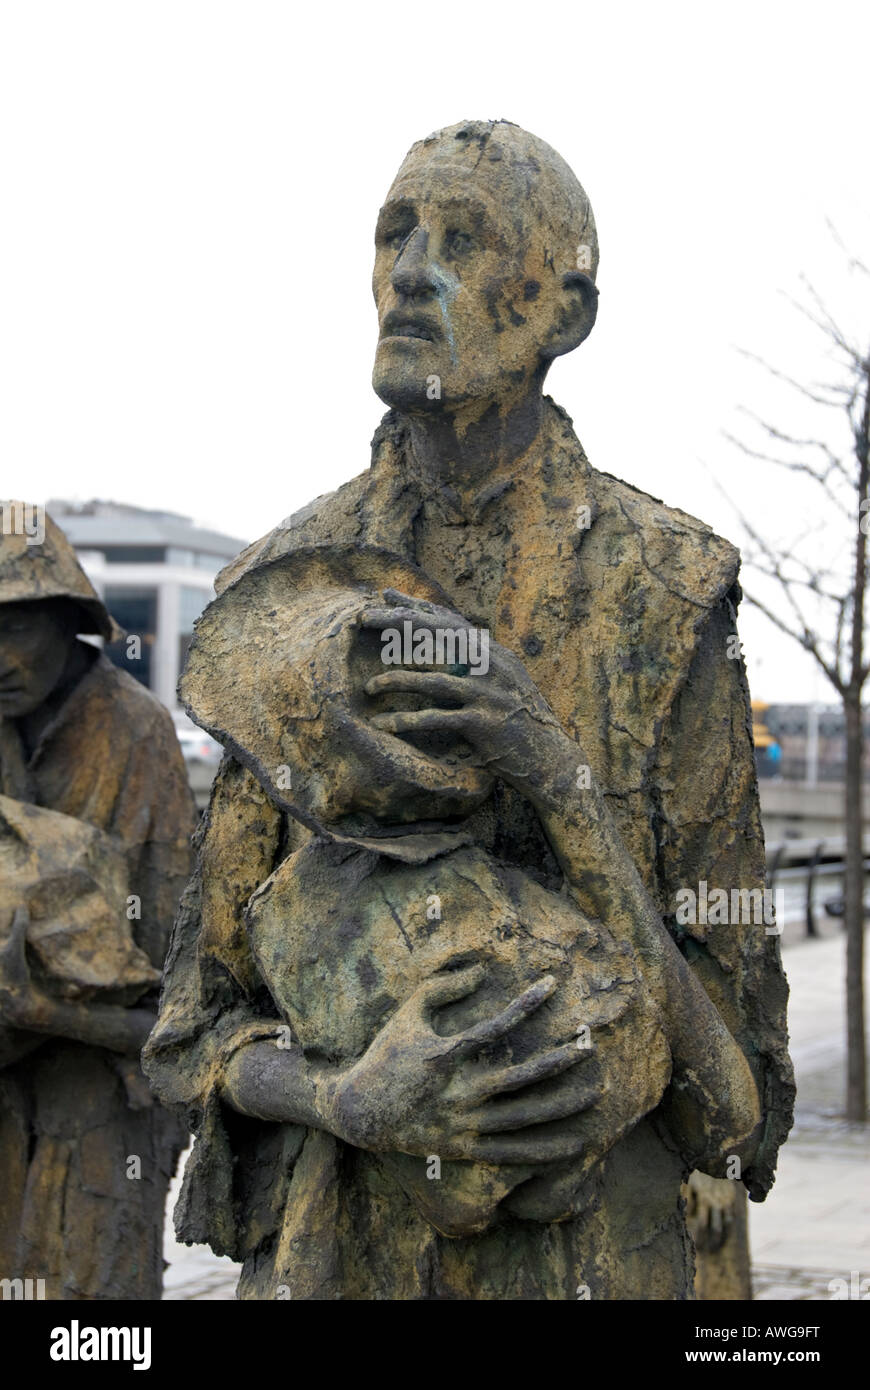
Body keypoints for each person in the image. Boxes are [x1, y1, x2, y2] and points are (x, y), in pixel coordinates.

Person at [145, 121, 794, 1300]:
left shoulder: (669, 590)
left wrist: (559, 783)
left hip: (592, 1263)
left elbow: (733, 1100)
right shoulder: (285, 589)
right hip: (335, 1259)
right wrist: (346, 1098)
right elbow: (195, 1028)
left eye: (464, 238)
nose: (409, 269)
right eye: (395, 232)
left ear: (565, 312)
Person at [0, 509, 195, 1299]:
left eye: (15, 630)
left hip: (103, 1078)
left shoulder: (135, 732)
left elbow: (176, 967)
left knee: (90, 1300)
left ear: (68, 621)